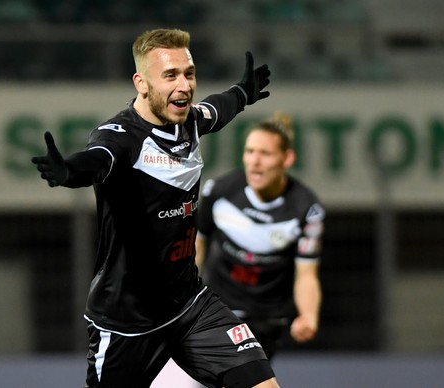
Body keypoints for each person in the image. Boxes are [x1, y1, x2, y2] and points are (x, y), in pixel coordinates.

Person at [31, 28, 279, 388]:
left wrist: (242, 94)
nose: (184, 85)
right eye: (170, 76)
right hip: (126, 322)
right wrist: (69, 171)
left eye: (188, 73)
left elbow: (217, 109)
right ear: (141, 83)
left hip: (191, 306)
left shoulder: (190, 121)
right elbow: (98, 160)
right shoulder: (119, 137)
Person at [195, 112, 324, 360]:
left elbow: (307, 274)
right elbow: (196, 246)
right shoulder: (220, 192)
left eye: (265, 154)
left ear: (287, 158)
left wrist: (308, 315)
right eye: (250, 151)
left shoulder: (306, 209)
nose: (255, 161)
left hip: (267, 319)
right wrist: (179, 296)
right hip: (217, 309)